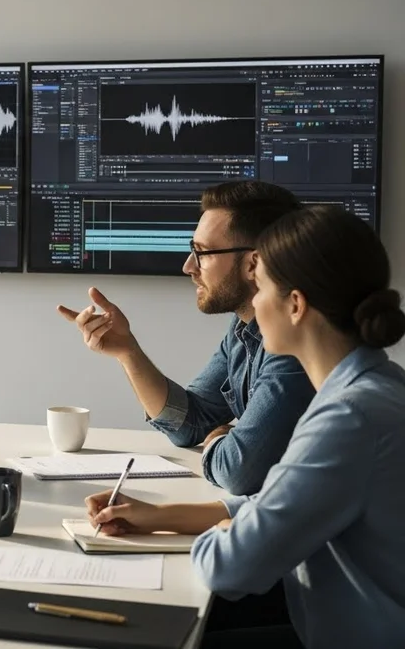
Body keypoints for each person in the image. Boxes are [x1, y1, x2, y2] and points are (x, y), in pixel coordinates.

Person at [85, 206, 405, 648]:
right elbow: (274, 504)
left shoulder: (346, 418)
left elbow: (229, 567)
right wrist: (160, 517)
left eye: (263, 288)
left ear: (295, 305)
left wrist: (223, 533)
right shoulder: (378, 385)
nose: (253, 302)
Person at [57, 181, 314, 496]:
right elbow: (190, 422)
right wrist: (128, 351)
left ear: (253, 263)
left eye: (202, 253)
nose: (188, 266)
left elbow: (239, 470)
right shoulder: (243, 330)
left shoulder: (294, 344)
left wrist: (220, 441)